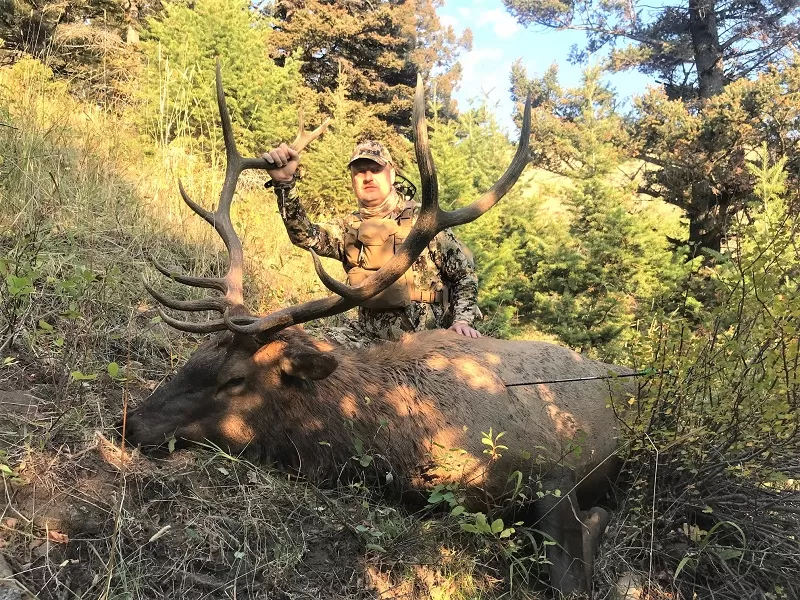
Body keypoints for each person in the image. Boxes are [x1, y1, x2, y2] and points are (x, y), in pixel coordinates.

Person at [262, 139, 482, 345]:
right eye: (359, 172)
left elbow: (464, 275)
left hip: (425, 342)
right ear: (352, 179)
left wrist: (462, 321)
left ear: (392, 174)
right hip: (367, 340)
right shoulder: (347, 227)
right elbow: (305, 236)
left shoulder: (423, 220)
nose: (368, 177)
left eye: (376, 170)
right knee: (307, 347)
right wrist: (284, 184)